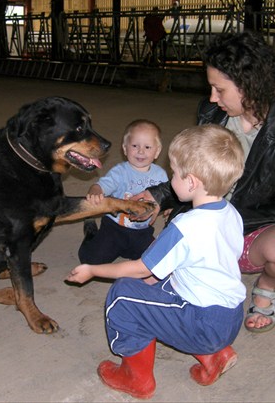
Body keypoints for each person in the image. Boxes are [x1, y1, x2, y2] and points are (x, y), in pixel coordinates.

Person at [135, 30, 275, 334]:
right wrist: (159, 195)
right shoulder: (211, 113)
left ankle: (265, 286)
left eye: (219, 89)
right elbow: (196, 169)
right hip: (201, 224)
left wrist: (221, 224)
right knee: (146, 282)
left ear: (249, 85)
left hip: (244, 234)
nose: (212, 98)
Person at [67, 124, 246, 399]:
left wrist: (93, 269)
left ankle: (136, 378)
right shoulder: (230, 213)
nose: (170, 178)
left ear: (192, 182)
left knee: (123, 294)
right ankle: (216, 356)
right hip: (230, 316)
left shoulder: (186, 226)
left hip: (201, 324)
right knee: (160, 284)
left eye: (174, 173)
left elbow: (139, 268)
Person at [78, 119, 168, 265]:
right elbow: (103, 185)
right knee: (90, 260)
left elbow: (166, 197)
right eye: (134, 146)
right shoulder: (120, 172)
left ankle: (132, 250)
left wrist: (169, 207)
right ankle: (91, 233)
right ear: (125, 149)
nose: (140, 151)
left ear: (157, 151)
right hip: (114, 229)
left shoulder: (161, 176)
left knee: (155, 262)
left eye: (147, 147)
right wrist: (96, 189)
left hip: (142, 231)